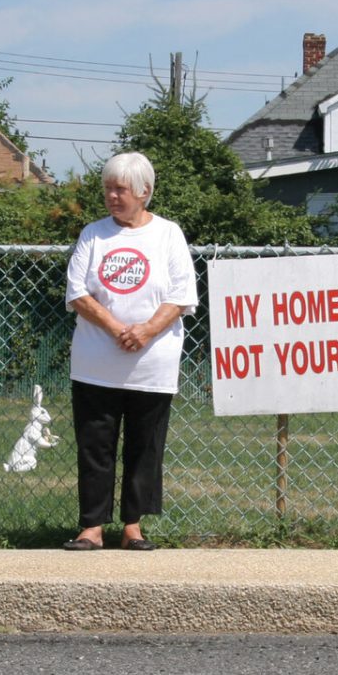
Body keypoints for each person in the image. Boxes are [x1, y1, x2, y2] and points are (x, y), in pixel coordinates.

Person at [61, 151, 197, 550]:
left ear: (144, 192)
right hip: (95, 364)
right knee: (95, 445)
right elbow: (78, 292)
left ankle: (133, 527)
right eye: (108, 189)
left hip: (151, 365)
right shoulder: (94, 234)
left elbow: (182, 294)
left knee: (145, 446)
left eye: (120, 189)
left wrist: (147, 331)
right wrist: (120, 329)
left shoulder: (168, 234)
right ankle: (91, 528)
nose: (112, 197)